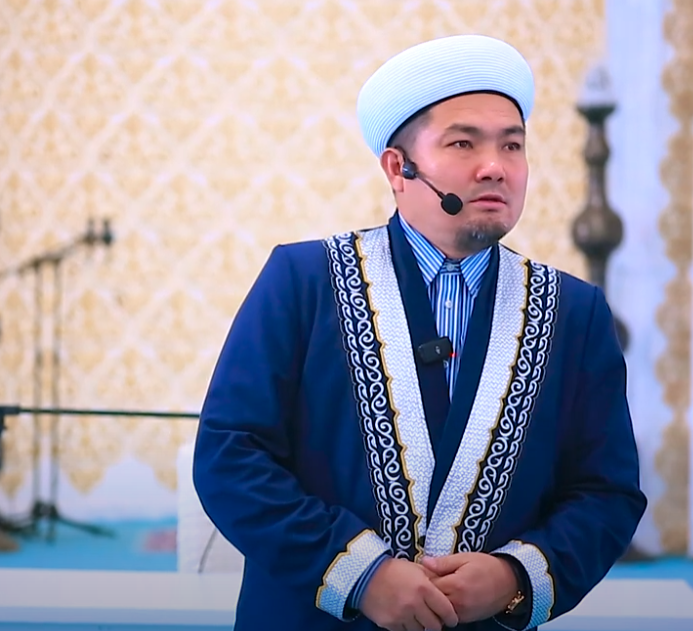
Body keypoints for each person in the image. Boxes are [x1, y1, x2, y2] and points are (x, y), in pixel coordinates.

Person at [191, 33, 647, 631]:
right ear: (397, 168)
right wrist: (361, 575)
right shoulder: (301, 282)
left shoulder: (575, 312)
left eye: (512, 145)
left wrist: (514, 577)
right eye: (463, 143)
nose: (495, 166)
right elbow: (230, 456)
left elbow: (606, 493)